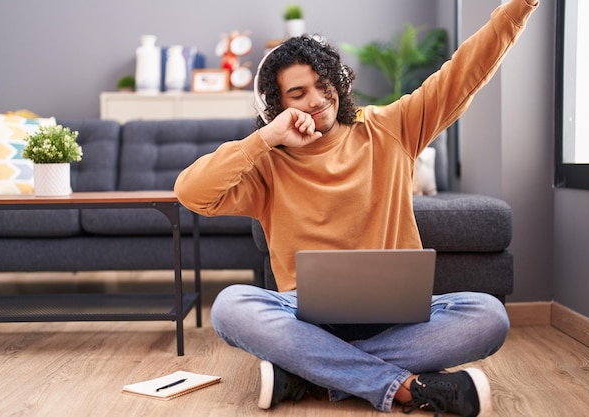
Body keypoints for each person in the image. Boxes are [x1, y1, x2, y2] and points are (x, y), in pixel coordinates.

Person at [174, 0, 539, 415]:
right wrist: (265, 139)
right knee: (229, 307)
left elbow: (463, 74)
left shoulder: (391, 127)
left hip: (397, 315)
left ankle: (311, 371)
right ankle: (402, 386)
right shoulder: (267, 164)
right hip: (304, 315)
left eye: (321, 82)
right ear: (275, 106)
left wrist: (520, 5)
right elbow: (191, 192)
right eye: (297, 93)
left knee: (489, 315)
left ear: (337, 80)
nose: (316, 99)